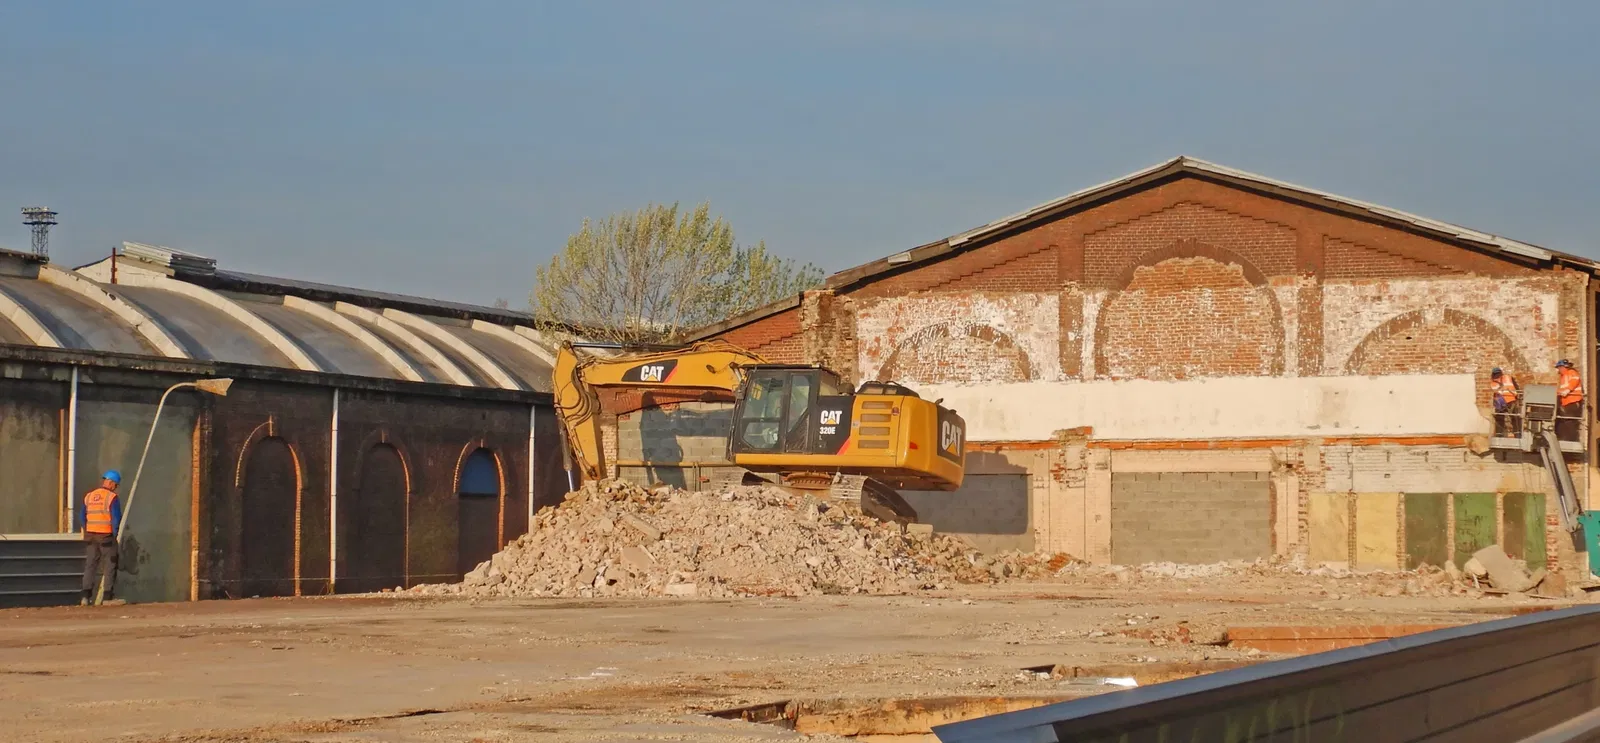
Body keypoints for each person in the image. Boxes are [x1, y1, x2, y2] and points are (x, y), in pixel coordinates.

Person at [78, 470, 123, 605]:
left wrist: (88, 529)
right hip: (106, 536)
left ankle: (85, 597)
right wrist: (114, 534)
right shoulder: (111, 497)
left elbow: (82, 516)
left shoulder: (89, 496)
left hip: (91, 536)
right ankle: (108, 597)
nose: (115, 487)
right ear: (111, 482)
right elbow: (116, 518)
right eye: (116, 485)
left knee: (90, 565)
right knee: (110, 564)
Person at [1556, 359, 1585, 441]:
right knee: (1565, 421)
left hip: (1573, 401)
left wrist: (1568, 390)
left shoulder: (1572, 373)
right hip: (1566, 402)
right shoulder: (1563, 376)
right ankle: (1565, 438)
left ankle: (1571, 440)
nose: (1558, 370)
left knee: (1570, 422)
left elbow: (1574, 381)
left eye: (1559, 368)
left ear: (1563, 367)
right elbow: (1562, 390)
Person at [1490, 367, 1521, 437]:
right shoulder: (1508, 377)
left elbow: (1495, 394)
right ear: (1501, 372)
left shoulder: (1492, 383)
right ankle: (1518, 435)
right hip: (1511, 400)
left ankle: (1499, 435)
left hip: (1500, 403)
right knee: (1515, 418)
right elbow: (1517, 388)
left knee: (1499, 419)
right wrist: (1517, 397)